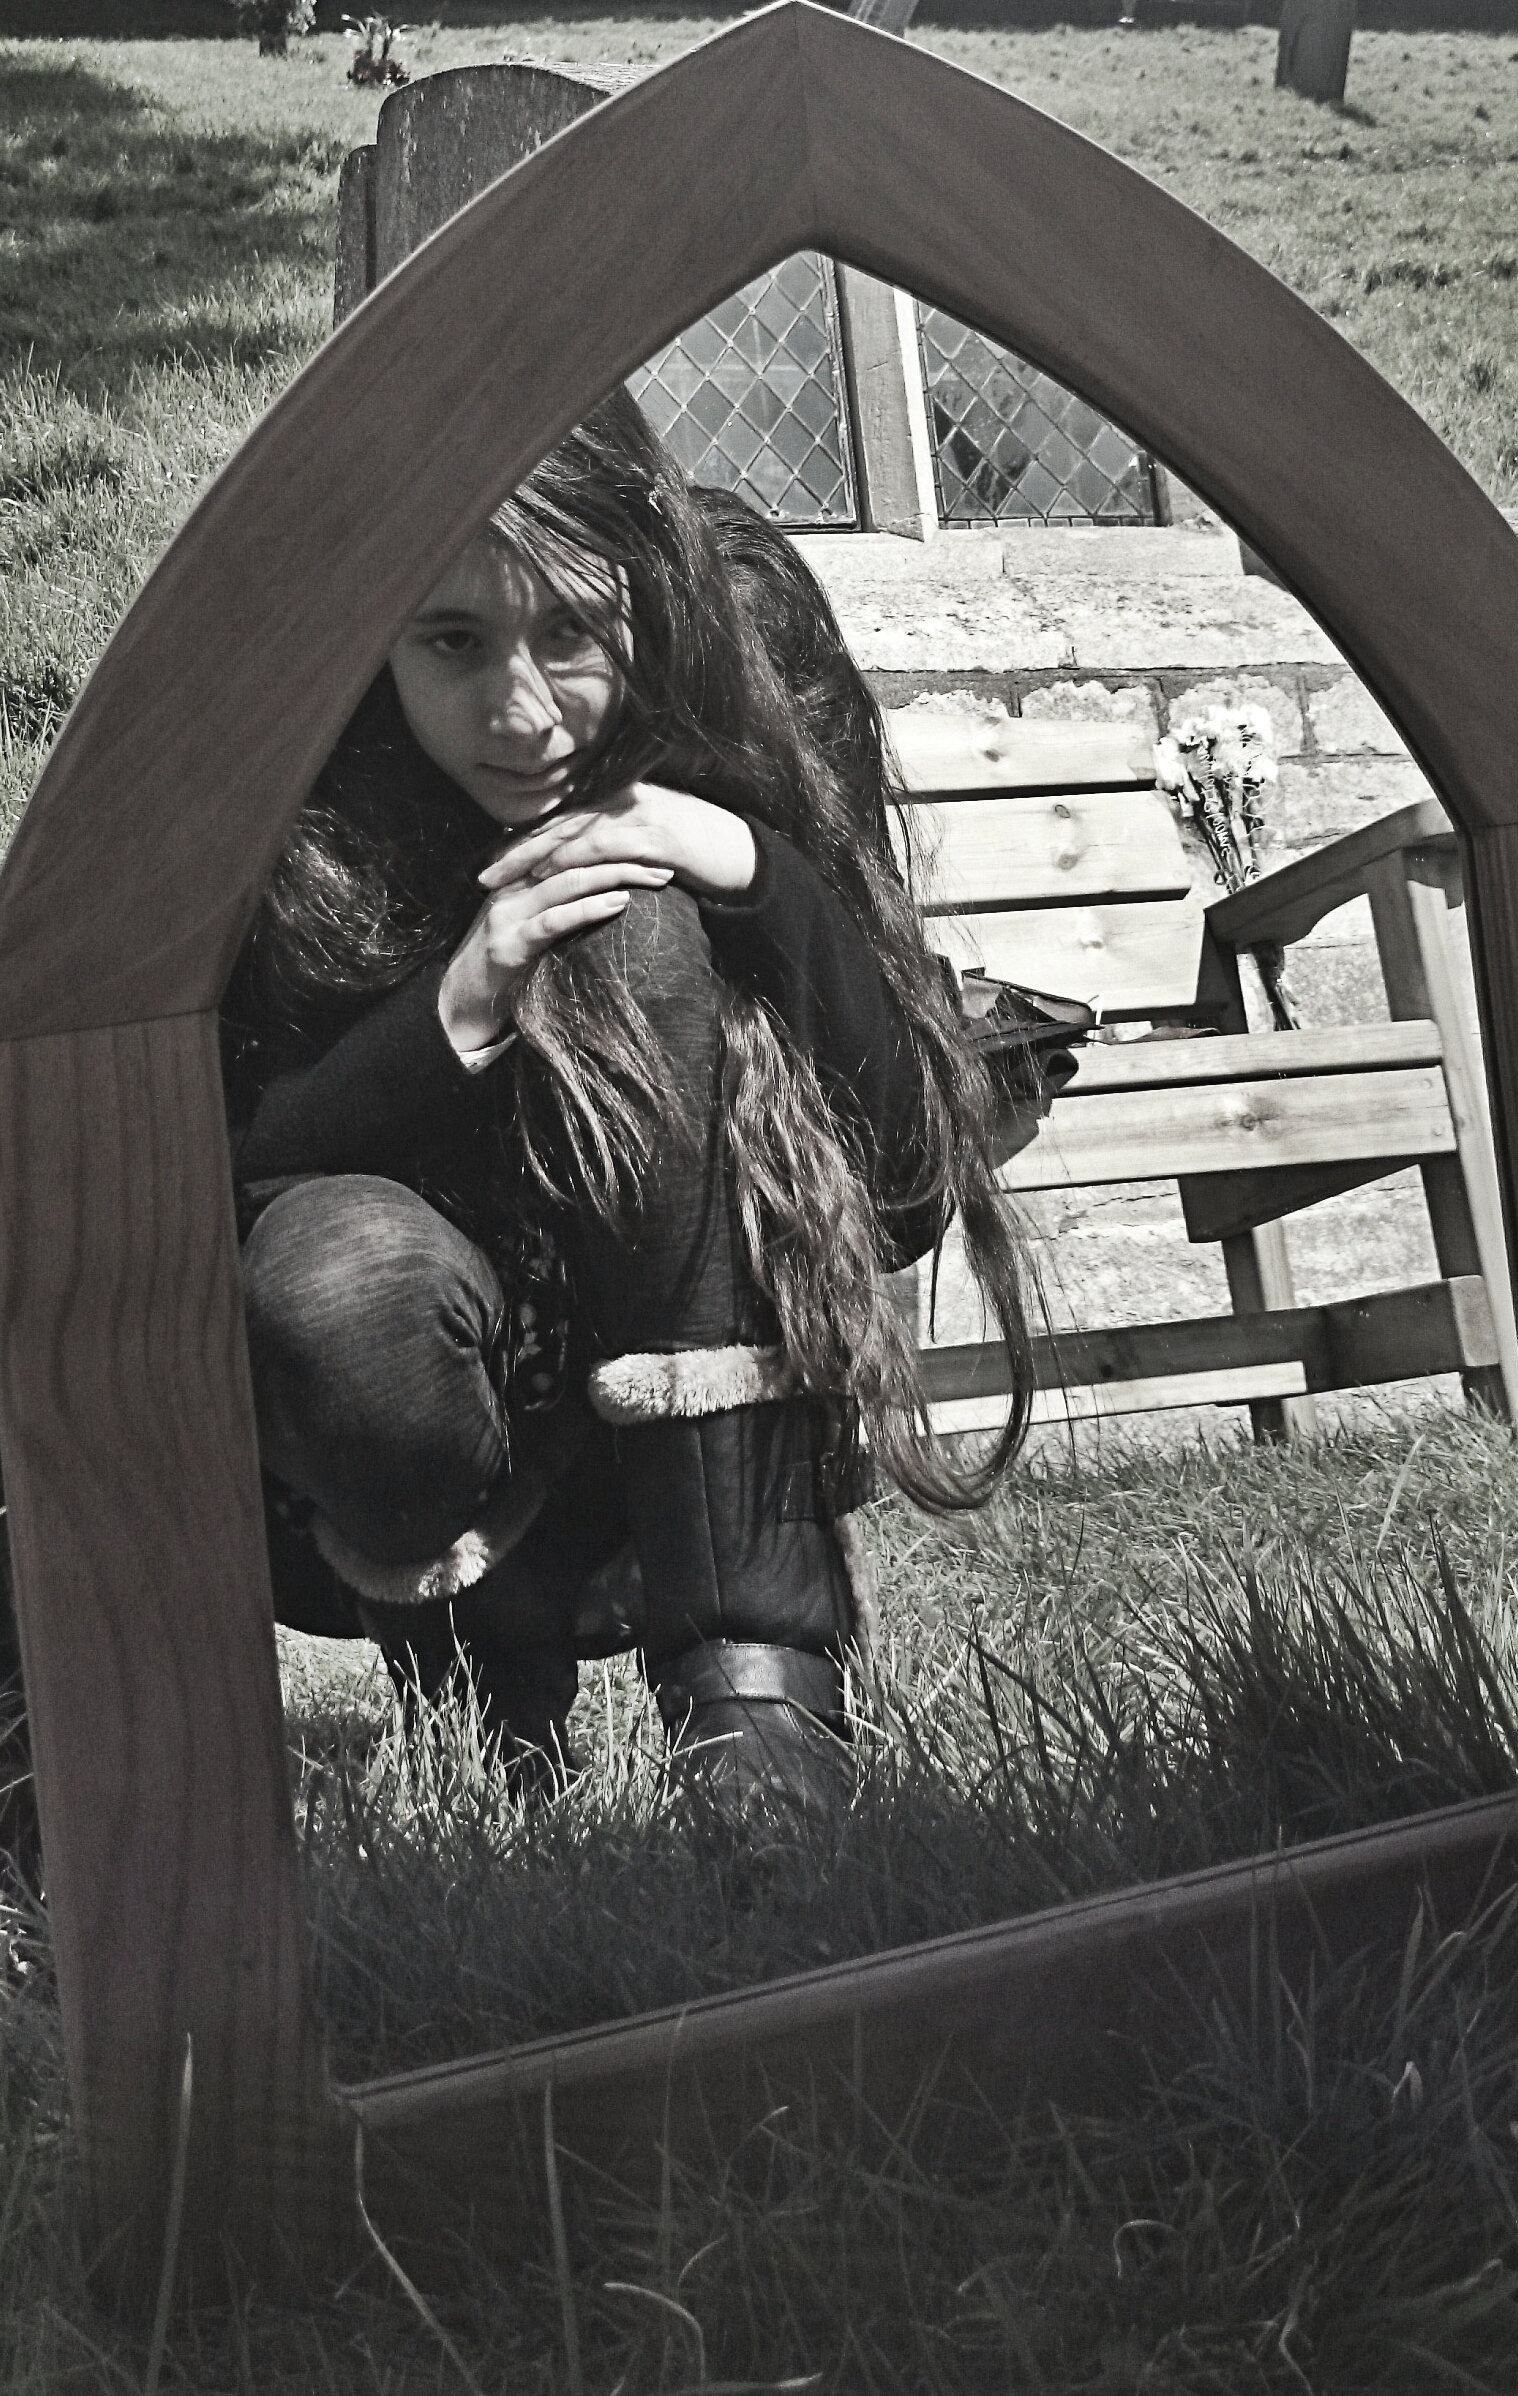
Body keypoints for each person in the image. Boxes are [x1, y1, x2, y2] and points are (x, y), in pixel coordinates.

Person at [221, 391, 1034, 1810]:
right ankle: (487, 1724)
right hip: (440, 1409)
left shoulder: (744, 657)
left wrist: (746, 867)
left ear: (648, 598)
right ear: (373, 639)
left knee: (634, 929)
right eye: (452, 641)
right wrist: (461, 1005)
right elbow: (223, 1168)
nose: (522, 714)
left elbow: (908, 1184)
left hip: (722, 1389)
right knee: (340, 1271)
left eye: (573, 633)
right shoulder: (314, 777)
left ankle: (760, 1712)